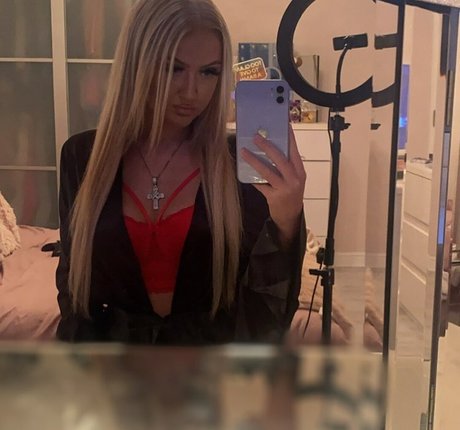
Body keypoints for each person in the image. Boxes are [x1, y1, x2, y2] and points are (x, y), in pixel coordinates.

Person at [56, 0, 306, 344]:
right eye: (173, 68)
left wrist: (287, 222)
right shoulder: (82, 156)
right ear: (136, 64)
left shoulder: (236, 162)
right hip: (112, 368)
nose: (192, 92)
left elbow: (265, 313)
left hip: (209, 367)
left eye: (209, 72)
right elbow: (73, 286)